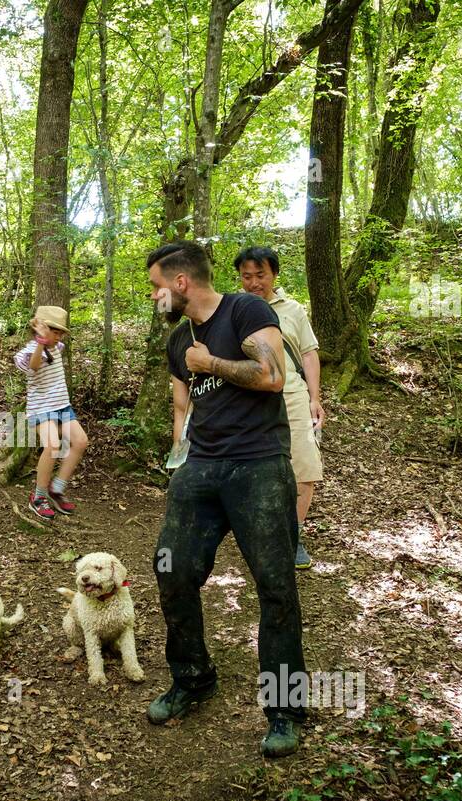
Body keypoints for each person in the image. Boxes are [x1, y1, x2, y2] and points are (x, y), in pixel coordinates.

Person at [144, 240, 307, 758]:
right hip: (200, 468)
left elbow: (273, 377)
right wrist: (178, 454)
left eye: (156, 286)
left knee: (276, 586)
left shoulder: (246, 309)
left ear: (181, 283)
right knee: (172, 569)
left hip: (258, 464)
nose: (154, 297)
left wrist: (210, 361)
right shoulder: (176, 342)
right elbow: (182, 404)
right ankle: (193, 679)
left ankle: (284, 709)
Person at [235, 246, 326, 570]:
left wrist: (314, 397)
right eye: (247, 276)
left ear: (274, 274)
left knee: (304, 466)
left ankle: (293, 535)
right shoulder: (233, 308)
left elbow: (308, 354)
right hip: (249, 400)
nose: (254, 282)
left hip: (292, 395)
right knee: (251, 469)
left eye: (261, 275)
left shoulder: (293, 310)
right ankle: (258, 533)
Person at [14, 305, 88, 519]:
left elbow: (51, 353)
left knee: (81, 441)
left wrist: (50, 341)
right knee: (53, 445)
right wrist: (41, 342)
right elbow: (34, 366)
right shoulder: (29, 351)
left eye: (59, 333)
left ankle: (57, 488)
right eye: (54, 332)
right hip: (41, 407)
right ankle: (38, 496)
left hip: (62, 405)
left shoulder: (57, 347)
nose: (58, 336)